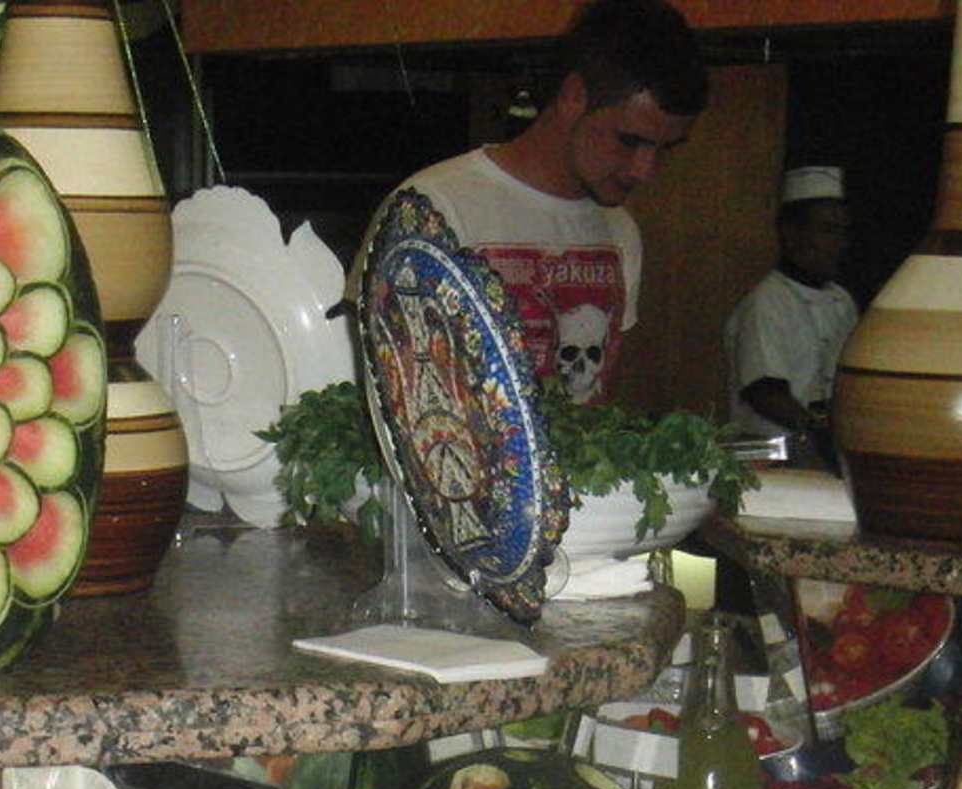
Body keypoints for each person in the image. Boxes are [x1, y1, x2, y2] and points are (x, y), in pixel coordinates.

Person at [367, 0, 706, 404]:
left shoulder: (621, 229)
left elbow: (598, 399)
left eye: (665, 149)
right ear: (574, 96)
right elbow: (385, 392)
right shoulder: (434, 207)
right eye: (628, 141)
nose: (644, 170)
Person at [723, 165, 858, 459]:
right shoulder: (766, 301)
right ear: (791, 233)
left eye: (842, 232)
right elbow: (764, 392)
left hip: (820, 453)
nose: (838, 244)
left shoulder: (843, 301)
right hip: (771, 457)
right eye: (827, 231)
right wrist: (819, 430)